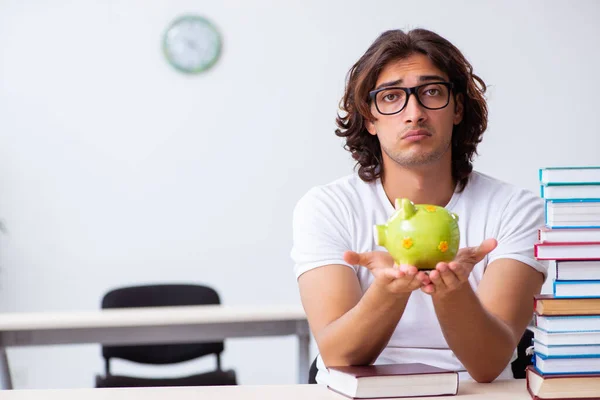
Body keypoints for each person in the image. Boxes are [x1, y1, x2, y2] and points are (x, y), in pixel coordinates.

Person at [290, 28, 547, 384]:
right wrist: (390, 289)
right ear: (369, 118)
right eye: (391, 97)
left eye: (431, 92)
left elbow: (489, 364)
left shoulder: (516, 209)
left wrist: (452, 290)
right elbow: (338, 356)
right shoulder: (326, 207)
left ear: (457, 108)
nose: (414, 113)